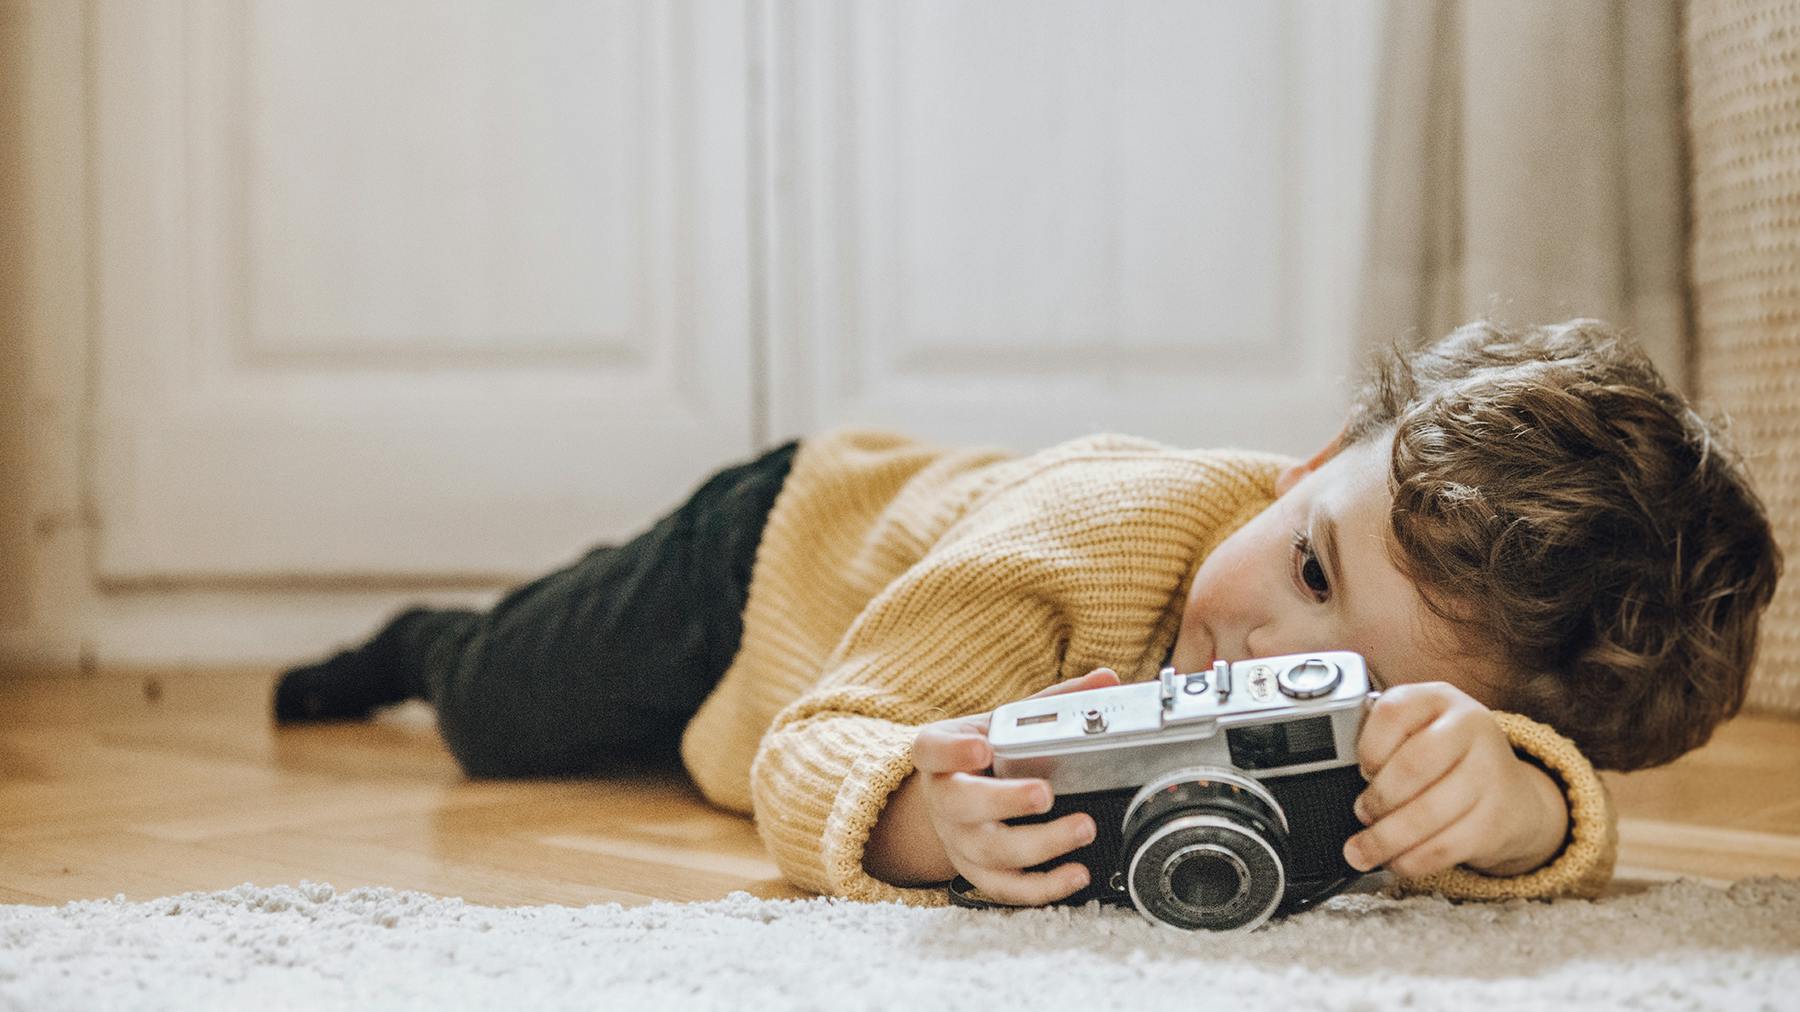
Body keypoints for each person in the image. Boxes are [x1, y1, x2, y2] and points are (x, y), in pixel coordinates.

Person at [274, 319, 1781, 909]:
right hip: (769, 568)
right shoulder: (1096, 545)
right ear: (1306, 465)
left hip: (883, 567)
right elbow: (819, 740)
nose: (1265, 655)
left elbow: (1565, 835)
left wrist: (1507, 801)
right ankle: (428, 636)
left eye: (1349, 681)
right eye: (1309, 565)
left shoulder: (1458, 723)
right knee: (502, 714)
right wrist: (927, 828)